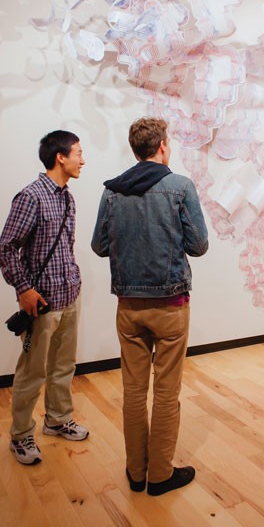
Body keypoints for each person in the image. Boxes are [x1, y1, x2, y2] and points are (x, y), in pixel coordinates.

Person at [91, 117, 208, 496]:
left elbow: (99, 246)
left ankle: (135, 469)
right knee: (166, 392)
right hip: (170, 305)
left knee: (133, 391)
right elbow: (199, 245)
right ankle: (159, 475)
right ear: (161, 146)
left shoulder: (112, 192)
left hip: (129, 307)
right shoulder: (180, 187)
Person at [0, 130, 89, 465]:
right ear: (60, 157)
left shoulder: (67, 198)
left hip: (69, 295)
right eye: (79, 152)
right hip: (42, 302)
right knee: (32, 372)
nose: (83, 159)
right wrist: (23, 289)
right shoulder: (31, 197)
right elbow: (5, 249)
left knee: (64, 365)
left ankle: (58, 419)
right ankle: (21, 436)